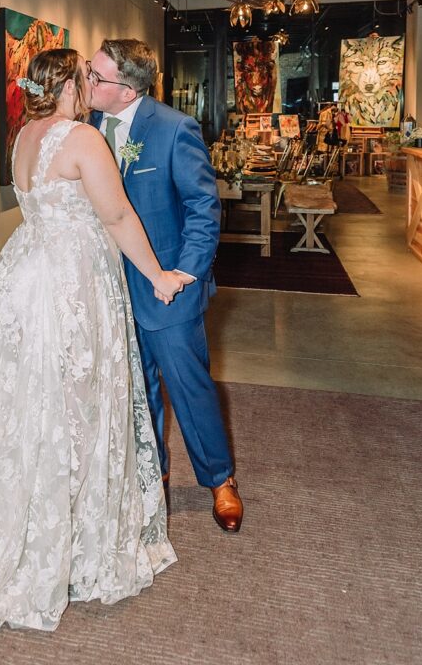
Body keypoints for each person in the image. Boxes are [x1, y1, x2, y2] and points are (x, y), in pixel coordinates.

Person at [0, 48, 187, 650]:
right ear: (66, 84)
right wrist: (160, 276)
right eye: (85, 76)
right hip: (71, 285)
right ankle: (72, 542)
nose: (92, 82)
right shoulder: (84, 140)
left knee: (25, 404)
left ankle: (31, 519)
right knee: (78, 403)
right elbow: (115, 216)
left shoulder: (23, 137)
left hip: (28, 278)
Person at [88, 39, 243, 533]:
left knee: (189, 387)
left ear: (128, 91)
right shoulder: (86, 129)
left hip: (167, 289)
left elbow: (203, 207)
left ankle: (220, 480)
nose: (87, 82)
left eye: (97, 76)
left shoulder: (175, 130)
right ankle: (151, 477)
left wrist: (185, 272)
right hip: (109, 287)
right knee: (136, 390)